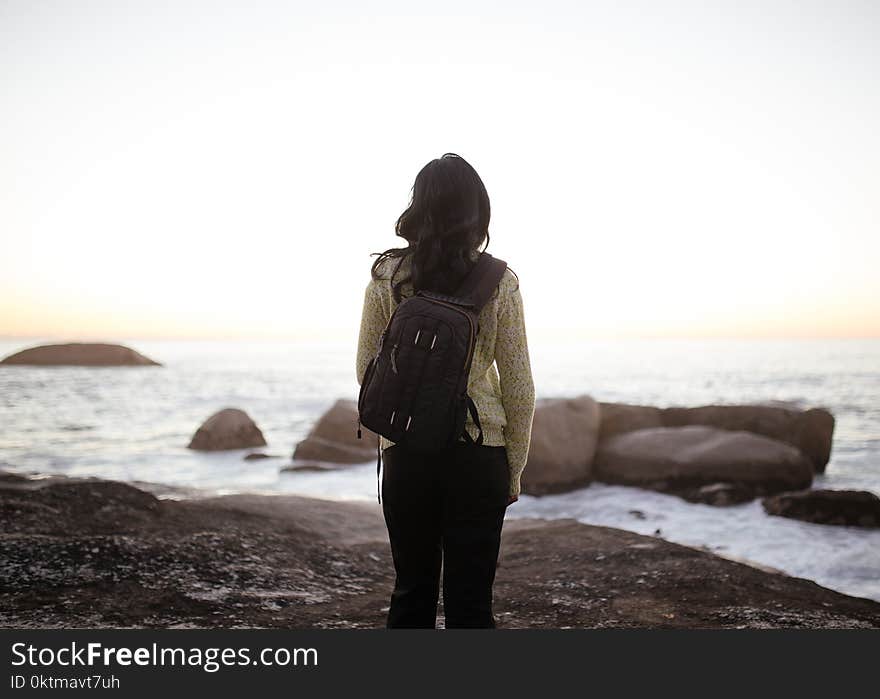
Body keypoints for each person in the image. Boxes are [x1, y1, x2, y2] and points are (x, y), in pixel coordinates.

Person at [356, 153, 536, 629]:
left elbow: (365, 372)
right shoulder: (501, 281)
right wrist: (512, 471)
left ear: (419, 208)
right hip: (479, 454)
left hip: (407, 451)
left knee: (411, 592)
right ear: (478, 211)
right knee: (471, 602)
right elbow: (519, 386)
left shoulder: (387, 277)